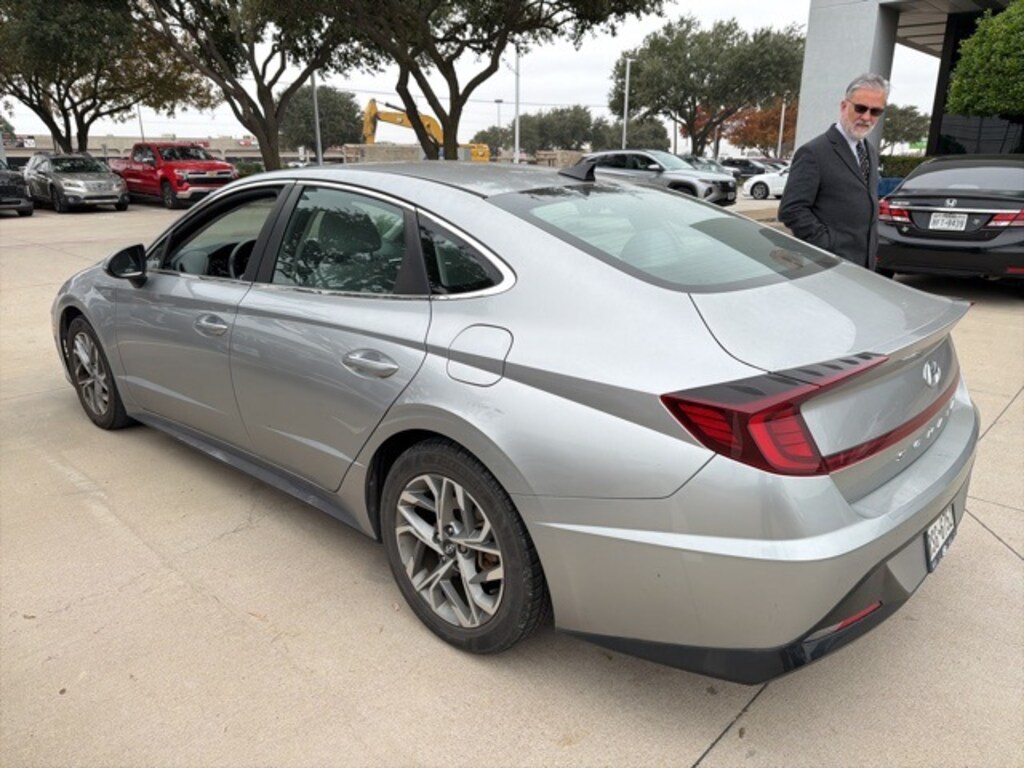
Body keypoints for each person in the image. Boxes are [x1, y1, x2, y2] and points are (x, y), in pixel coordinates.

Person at [779, 73, 889, 268]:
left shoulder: (869, 151)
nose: (866, 117)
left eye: (875, 112)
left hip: (864, 268)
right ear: (844, 106)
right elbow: (792, 210)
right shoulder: (814, 152)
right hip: (828, 266)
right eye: (861, 108)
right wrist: (828, 245)